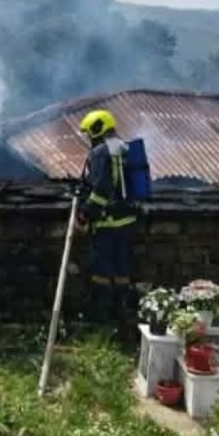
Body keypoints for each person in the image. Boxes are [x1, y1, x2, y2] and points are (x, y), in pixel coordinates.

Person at [78, 109, 137, 325]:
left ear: (97, 129)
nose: (88, 139)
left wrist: (85, 213)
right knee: (122, 268)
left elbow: (100, 189)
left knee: (100, 269)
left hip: (106, 222)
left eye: (89, 134)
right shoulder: (123, 148)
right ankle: (121, 314)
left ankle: (100, 316)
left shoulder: (101, 152)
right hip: (127, 221)